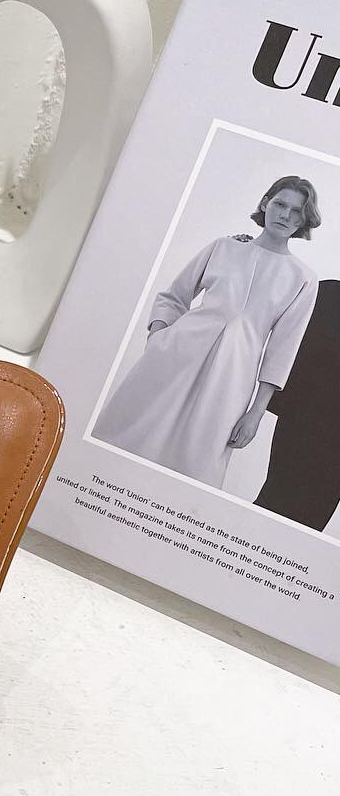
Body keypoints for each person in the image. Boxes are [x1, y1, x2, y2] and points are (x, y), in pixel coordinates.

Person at [92, 176, 320, 489]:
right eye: (280, 204)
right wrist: (157, 339)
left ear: (304, 220)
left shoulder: (303, 278)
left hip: (232, 379)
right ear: (266, 202)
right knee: (126, 439)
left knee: (197, 468)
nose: (285, 215)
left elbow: (282, 350)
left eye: (296, 211)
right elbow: (173, 297)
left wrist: (255, 413)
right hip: (173, 358)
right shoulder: (223, 247)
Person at [254, 278, 340, 531]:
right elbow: (286, 340)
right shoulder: (326, 293)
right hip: (303, 422)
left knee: (311, 519)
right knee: (276, 500)